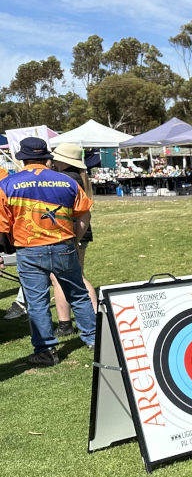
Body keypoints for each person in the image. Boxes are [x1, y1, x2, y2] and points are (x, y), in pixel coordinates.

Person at [0, 137, 97, 366]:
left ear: (22, 159)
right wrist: (75, 239)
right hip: (63, 245)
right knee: (78, 294)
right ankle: (95, 340)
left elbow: (2, 225)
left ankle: (46, 350)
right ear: (46, 158)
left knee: (37, 301)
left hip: (29, 250)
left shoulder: (7, 184)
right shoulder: (67, 182)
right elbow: (84, 214)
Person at [48, 142, 98, 336]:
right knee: (73, 276)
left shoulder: (66, 178)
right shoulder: (79, 177)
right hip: (80, 230)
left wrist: (74, 239)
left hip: (72, 231)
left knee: (66, 278)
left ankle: (68, 322)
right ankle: (85, 318)